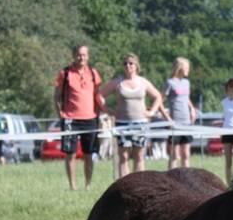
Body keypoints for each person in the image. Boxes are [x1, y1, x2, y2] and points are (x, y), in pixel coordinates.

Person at [99, 53, 169, 177]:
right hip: (122, 124)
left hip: (140, 123)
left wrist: (152, 112)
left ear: (136, 66)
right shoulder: (118, 82)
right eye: (125, 63)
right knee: (124, 156)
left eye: (131, 63)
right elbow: (99, 96)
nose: (128, 66)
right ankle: (124, 185)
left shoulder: (143, 82)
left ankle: (139, 184)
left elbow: (157, 96)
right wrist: (108, 110)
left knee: (139, 156)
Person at [54, 44, 104, 190]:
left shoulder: (94, 74)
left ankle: (88, 185)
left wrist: (100, 114)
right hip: (70, 119)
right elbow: (56, 96)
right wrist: (60, 114)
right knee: (70, 154)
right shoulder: (65, 73)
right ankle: (72, 186)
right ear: (73, 55)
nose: (81, 57)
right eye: (78, 54)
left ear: (88, 56)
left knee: (89, 154)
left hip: (90, 119)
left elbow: (98, 96)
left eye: (84, 55)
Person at [165, 57, 197, 169]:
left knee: (186, 154)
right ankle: (171, 180)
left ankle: (187, 180)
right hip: (175, 123)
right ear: (180, 68)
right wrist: (167, 118)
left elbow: (185, 98)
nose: (188, 70)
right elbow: (160, 99)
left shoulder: (186, 82)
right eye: (186, 67)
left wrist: (192, 109)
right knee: (174, 155)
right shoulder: (170, 82)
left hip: (187, 122)